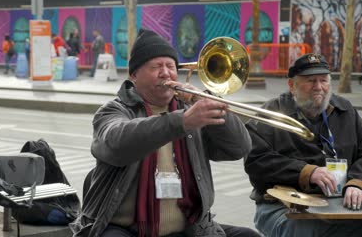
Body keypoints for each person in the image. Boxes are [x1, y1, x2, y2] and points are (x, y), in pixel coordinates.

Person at [70, 29, 261, 237]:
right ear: (134, 75)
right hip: (123, 228)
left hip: (189, 227)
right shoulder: (114, 110)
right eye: (156, 67)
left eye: (170, 66)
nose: (166, 73)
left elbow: (238, 148)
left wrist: (206, 100)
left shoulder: (191, 111)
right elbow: (117, 143)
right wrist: (182, 121)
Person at [244, 53, 362, 237]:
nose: (319, 87)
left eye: (323, 80)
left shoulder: (345, 110)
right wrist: (307, 173)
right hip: (282, 205)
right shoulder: (272, 114)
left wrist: (359, 183)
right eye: (310, 81)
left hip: (340, 202)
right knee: (302, 231)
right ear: (292, 85)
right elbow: (255, 161)